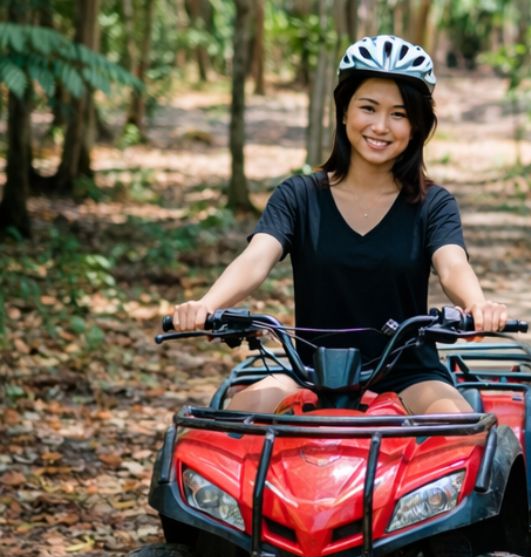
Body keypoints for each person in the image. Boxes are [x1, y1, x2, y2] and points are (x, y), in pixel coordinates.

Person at [172, 35, 507, 415]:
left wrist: (477, 305)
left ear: (415, 126)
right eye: (368, 108)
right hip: (310, 372)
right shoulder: (299, 196)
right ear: (344, 111)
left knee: (459, 429)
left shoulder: (433, 204)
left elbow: (452, 266)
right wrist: (205, 305)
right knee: (237, 417)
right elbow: (256, 259)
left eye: (399, 114)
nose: (381, 126)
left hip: (408, 374)